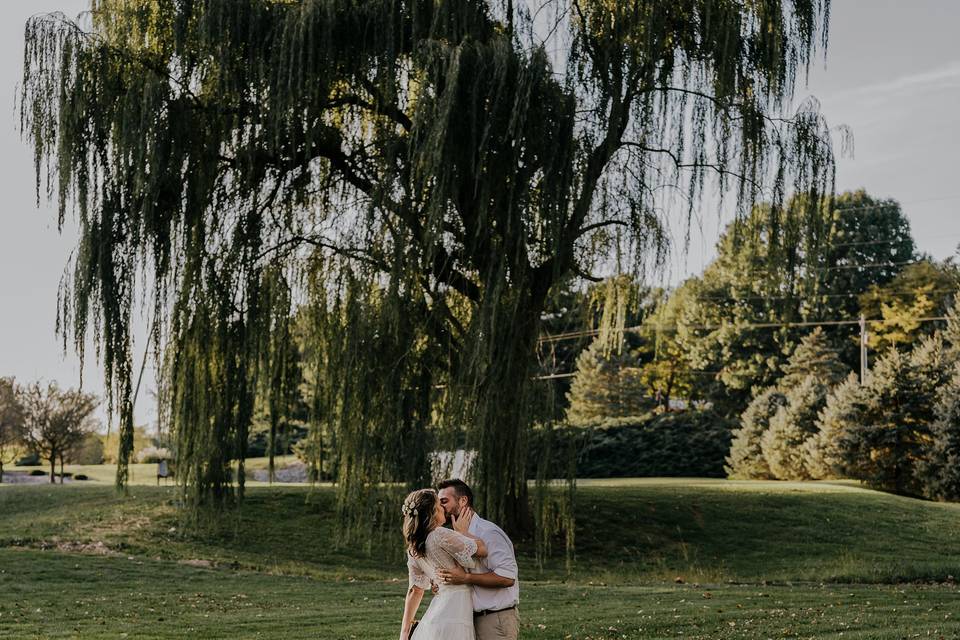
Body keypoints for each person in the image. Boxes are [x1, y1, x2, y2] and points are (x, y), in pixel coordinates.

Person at [435, 479, 520, 640]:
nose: (440, 507)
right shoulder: (454, 535)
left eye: (444, 501)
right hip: (469, 620)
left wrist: (466, 578)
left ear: (463, 500)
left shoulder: (488, 533)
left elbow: (508, 578)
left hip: (494, 619)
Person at [399, 488, 488, 640]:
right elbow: (482, 550)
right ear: (432, 512)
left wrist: (405, 631)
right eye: (439, 505)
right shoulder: (440, 534)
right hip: (455, 607)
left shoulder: (413, 549)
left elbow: (415, 591)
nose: (443, 508)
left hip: (438, 608)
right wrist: (463, 532)